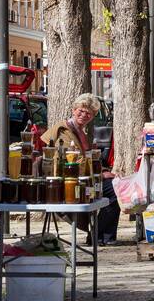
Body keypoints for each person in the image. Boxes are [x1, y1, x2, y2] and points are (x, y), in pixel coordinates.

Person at [41, 93, 121, 245]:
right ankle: (100, 236)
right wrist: (100, 175)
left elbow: (87, 158)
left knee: (116, 187)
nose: (84, 115)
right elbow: (70, 159)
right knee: (113, 190)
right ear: (74, 109)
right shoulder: (63, 130)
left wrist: (102, 171)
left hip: (85, 178)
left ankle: (102, 235)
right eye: (81, 110)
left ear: (93, 116)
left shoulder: (81, 131)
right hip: (69, 181)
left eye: (89, 113)